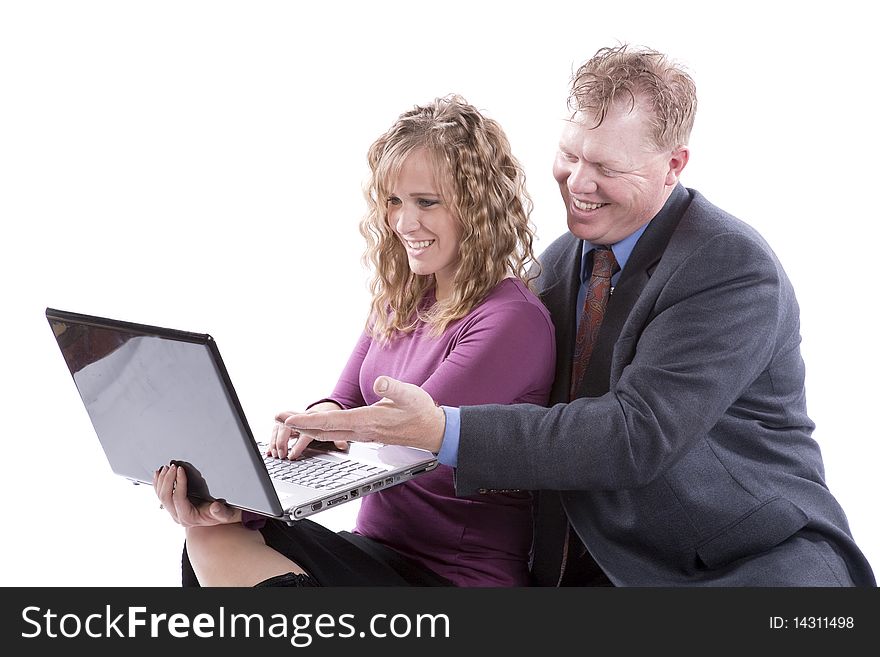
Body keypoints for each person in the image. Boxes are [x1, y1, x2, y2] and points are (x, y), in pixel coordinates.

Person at [284, 44, 877, 587]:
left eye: (608, 169)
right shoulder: (561, 263)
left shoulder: (728, 266)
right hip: (598, 571)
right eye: (570, 154)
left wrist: (442, 429)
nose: (579, 183)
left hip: (744, 567)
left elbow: (634, 434)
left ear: (675, 164)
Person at [153, 94, 556, 587]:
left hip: (452, 578)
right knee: (209, 535)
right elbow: (345, 402)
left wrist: (252, 502)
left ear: (478, 206)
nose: (405, 223)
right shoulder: (401, 299)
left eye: (426, 202)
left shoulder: (511, 319)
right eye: (394, 201)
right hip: (379, 552)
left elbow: (407, 435)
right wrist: (320, 418)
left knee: (228, 533)